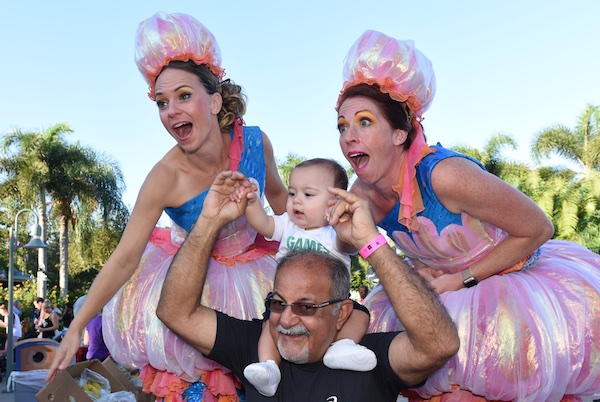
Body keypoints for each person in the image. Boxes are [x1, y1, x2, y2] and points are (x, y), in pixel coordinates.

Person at [335, 30, 600, 401]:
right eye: (342, 126)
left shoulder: (446, 175)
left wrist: (462, 279)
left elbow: (539, 228)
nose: (348, 136)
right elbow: (347, 247)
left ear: (399, 134)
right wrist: (348, 229)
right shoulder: (362, 191)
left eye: (364, 122)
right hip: (440, 297)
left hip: (509, 287)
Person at [46, 12, 287, 401]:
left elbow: (281, 202)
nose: (171, 110)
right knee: (200, 387)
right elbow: (125, 258)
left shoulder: (257, 143)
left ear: (215, 101)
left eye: (184, 96)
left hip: (256, 277)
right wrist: (76, 327)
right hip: (190, 286)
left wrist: (320, 227)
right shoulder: (164, 177)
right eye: (162, 102)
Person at [156, 170, 459, 401]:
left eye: (306, 306)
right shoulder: (255, 345)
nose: (286, 319)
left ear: (341, 313)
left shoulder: (368, 359)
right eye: (278, 303)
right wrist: (210, 220)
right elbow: (175, 312)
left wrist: (370, 242)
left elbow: (439, 345)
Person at [231, 158, 376, 396]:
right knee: (270, 325)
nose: (296, 200)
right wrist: (251, 201)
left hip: (331, 302)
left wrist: (347, 221)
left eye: (308, 194)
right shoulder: (288, 225)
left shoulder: (335, 233)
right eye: (292, 193)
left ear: (334, 203)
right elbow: (263, 223)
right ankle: (268, 366)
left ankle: (342, 346)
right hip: (287, 299)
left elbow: (349, 243)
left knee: (359, 315)